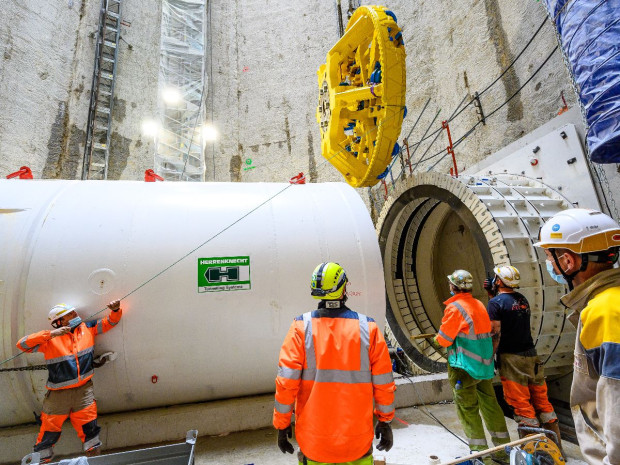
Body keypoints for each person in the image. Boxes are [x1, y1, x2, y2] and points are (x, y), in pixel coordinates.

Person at [273, 262, 395, 465]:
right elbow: (384, 384)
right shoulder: (369, 328)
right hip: (357, 442)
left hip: (315, 443)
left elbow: (286, 383)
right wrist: (385, 421)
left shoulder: (301, 328)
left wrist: (282, 424)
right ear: (343, 288)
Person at [534, 208, 620, 465]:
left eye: (550, 257)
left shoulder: (602, 312)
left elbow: (616, 407)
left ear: (568, 262)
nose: (550, 264)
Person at [16, 300, 123, 463]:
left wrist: (116, 310)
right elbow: (22, 344)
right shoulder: (49, 340)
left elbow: (110, 322)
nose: (75, 315)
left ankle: (95, 460)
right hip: (58, 397)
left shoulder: (87, 328)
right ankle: (42, 460)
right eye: (70, 315)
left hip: (83, 392)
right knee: (48, 434)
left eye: (74, 313)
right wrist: (51, 334)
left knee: (91, 432)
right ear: (58, 322)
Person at [434, 269, 510, 464]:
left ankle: (479, 454)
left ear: (453, 287)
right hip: (483, 366)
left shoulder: (455, 308)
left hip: (464, 368)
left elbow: (443, 340)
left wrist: (436, 339)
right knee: (491, 406)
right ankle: (503, 451)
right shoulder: (478, 304)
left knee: (468, 409)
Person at [485, 266, 561, 450]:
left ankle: (535, 452)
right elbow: (508, 310)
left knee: (522, 406)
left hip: (512, 359)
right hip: (531, 356)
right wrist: (491, 294)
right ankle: (556, 450)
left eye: (496, 278)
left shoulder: (495, 304)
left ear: (500, 281)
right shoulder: (522, 299)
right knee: (542, 402)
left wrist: (490, 357)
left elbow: (496, 332)